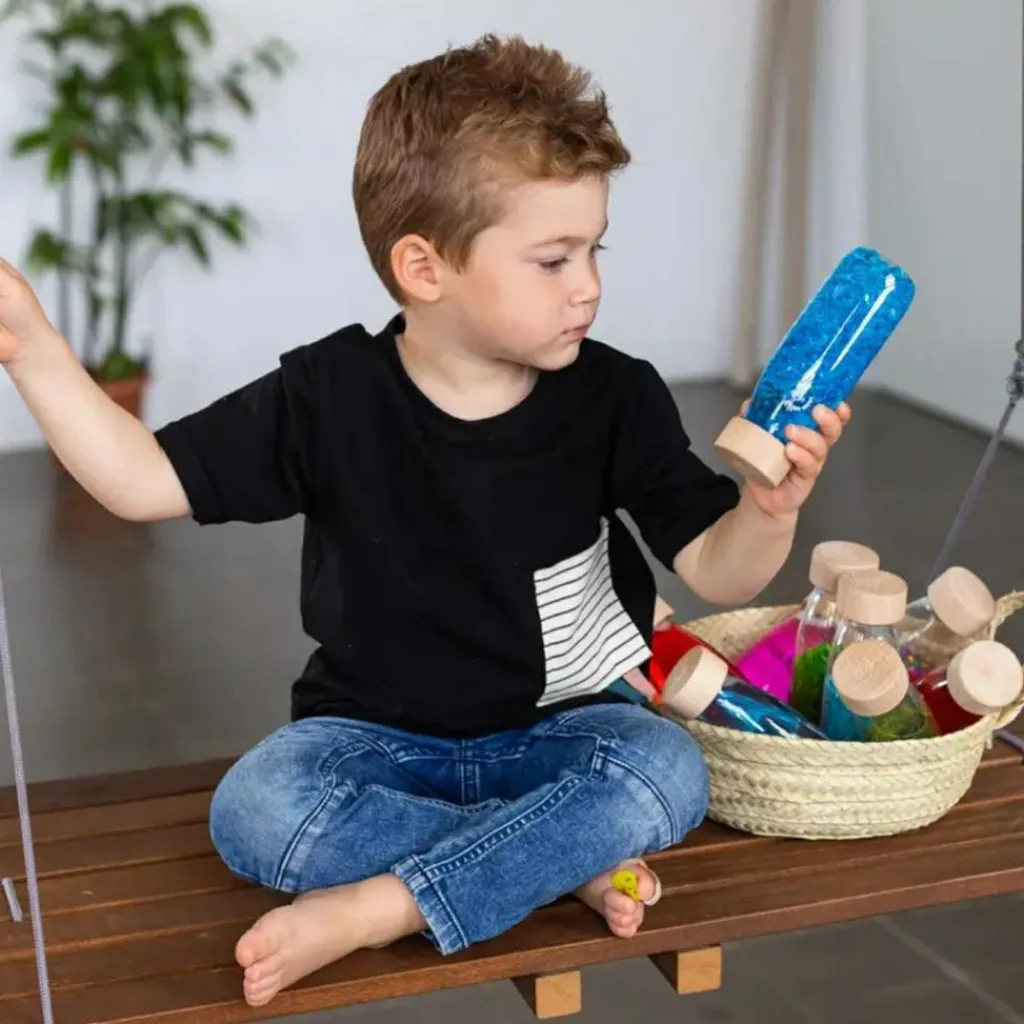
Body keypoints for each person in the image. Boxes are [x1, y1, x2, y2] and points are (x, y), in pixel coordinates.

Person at [0, 33, 850, 1009]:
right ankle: (551, 858)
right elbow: (139, 479)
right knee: (256, 809)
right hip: (373, 745)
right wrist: (32, 348)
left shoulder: (614, 395)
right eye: (551, 259)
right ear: (423, 266)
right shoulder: (329, 396)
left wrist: (769, 510)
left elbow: (716, 567)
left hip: (565, 736)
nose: (587, 284)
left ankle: (387, 904)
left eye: (593, 249)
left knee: (666, 770)